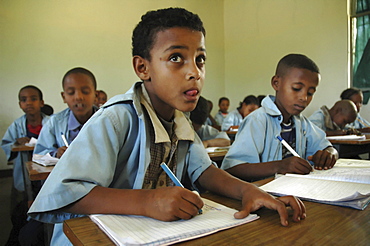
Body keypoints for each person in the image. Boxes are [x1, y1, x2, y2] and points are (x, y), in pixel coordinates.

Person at [28, 8, 305, 245]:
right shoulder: (116, 118)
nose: (194, 72)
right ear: (142, 68)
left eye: (200, 59)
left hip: (148, 234)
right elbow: (66, 193)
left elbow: (205, 170)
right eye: (176, 58)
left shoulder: (179, 120)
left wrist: (249, 191)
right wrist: (148, 201)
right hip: (92, 238)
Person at [221, 54, 338, 182]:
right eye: (297, 88)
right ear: (276, 83)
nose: (304, 98)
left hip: (296, 189)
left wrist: (330, 153)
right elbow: (233, 168)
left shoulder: (301, 122)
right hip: (264, 194)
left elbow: (327, 147)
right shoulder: (258, 120)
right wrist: (280, 166)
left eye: (310, 93)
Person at [1, 85, 50, 245]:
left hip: (47, 175)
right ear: (19, 104)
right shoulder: (17, 125)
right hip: (25, 174)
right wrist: (16, 142)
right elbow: (6, 143)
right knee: (21, 206)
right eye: (24, 100)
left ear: (41, 102)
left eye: (33, 99)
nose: (28, 103)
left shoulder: (51, 122)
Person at [34, 67, 98, 158]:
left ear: (96, 95)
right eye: (71, 92)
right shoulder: (54, 123)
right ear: (64, 97)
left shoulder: (108, 120)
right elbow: (39, 154)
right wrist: (56, 154)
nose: (78, 97)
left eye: (85, 92)